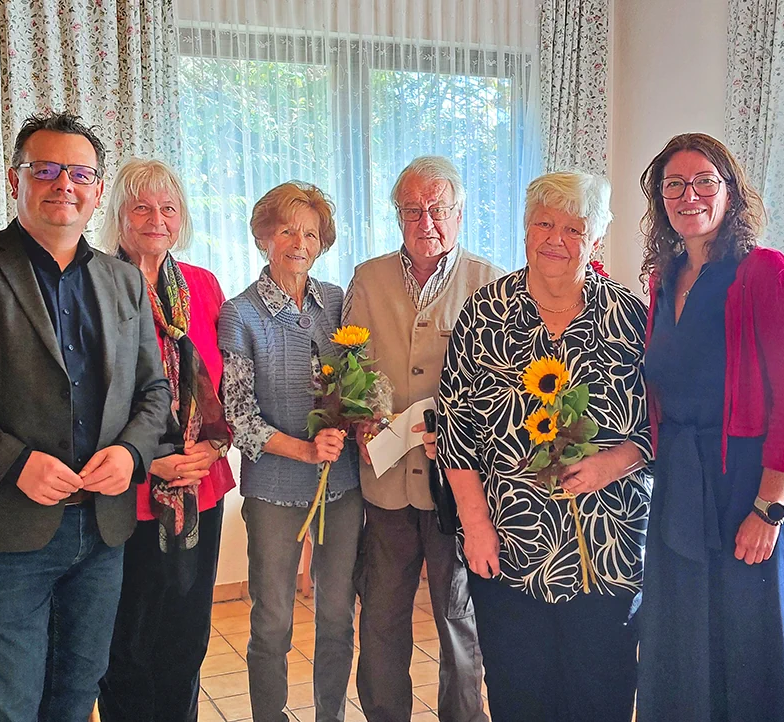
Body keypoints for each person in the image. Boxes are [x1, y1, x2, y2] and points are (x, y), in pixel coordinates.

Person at [0, 112, 171, 722]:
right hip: (2, 536)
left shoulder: (124, 282)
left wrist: (130, 454)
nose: (62, 183)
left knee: (74, 698)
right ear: (17, 179)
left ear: (97, 190)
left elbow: (154, 393)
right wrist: (14, 463)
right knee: (5, 707)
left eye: (79, 172)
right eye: (45, 169)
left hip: (101, 533)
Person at [438, 172, 651, 721]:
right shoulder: (485, 314)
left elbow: (661, 422)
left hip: (606, 548)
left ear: (596, 240)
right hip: (509, 546)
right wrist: (477, 526)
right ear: (526, 229)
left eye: (574, 227)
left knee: (600, 694)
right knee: (520, 695)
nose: (555, 238)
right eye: (543, 223)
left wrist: (612, 462)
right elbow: (456, 431)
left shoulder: (630, 317)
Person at [637, 133, 784, 720]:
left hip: (750, 484)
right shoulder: (664, 279)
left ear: (730, 191)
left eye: (704, 182)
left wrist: (768, 508)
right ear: (660, 198)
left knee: (748, 646)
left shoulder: (767, 273)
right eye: (674, 184)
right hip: (683, 482)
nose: (688, 195)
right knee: (683, 638)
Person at [343, 155, 499, 722]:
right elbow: (349, 364)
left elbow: (504, 388)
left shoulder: (491, 283)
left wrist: (465, 434)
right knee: (382, 617)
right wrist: (362, 416)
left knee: (459, 618)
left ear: (459, 213)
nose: (425, 221)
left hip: (457, 490)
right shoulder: (369, 277)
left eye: (437, 209)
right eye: (412, 210)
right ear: (397, 216)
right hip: (385, 480)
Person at [95, 159, 236, 721]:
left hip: (201, 485)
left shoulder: (202, 286)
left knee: (185, 637)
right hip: (128, 487)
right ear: (119, 218)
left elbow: (225, 379)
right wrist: (150, 460)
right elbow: (87, 396)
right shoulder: (96, 283)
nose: (157, 219)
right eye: (141, 207)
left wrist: (214, 446)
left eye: (168, 208)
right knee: (127, 641)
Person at [217, 181, 361, 722]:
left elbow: (357, 385)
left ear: (322, 242)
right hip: (274, 491)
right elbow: (238, 415)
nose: (298, 242)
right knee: (272, 620)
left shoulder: (338, 304)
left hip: (341, 488)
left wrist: (357, 419)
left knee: (337, 618)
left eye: (310, 233)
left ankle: (332, 716)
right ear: (264, 237)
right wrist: (304, 451)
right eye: (286, 230)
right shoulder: (240, 314)